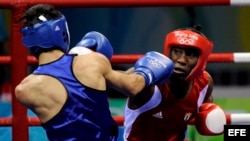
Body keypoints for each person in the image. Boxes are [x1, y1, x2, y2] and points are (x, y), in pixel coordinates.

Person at [14, 4, 174, 141]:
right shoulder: (91, 62)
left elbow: (69, 93)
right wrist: (147, 71)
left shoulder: (24, 90)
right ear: (61, 32)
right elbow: (133, 86)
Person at [122, 25, 227, 141]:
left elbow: (195, 114)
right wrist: (100, 65)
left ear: (202, 60)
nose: (181, 60)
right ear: (168, 52)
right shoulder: (150, 82)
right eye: (176, 51)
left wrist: (209, 120)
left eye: (191, 55)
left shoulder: (204, 84)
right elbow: (121, 79)